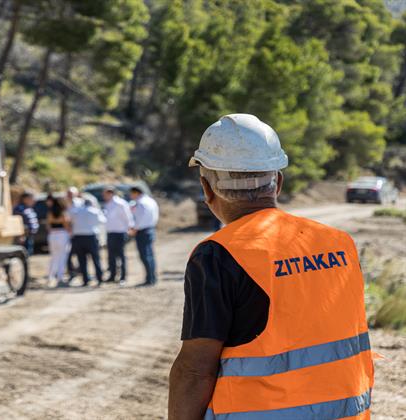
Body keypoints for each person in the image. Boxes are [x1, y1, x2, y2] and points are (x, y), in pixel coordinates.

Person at [168, 114, 374, 419]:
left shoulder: (217, 255)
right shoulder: (340, 243)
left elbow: (196, 370)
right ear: (277, 182)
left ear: (207, 190)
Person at [69, 197, 106, 286]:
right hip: (91, 238)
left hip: (78, 238)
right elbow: (103, 221)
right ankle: (100, 279)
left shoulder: (76, 212)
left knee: (82, 261)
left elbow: (71, 221)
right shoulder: (95, 211)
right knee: (96, 260)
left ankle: (85, 280)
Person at [102, 186, 133, 284]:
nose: (104, 196)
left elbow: (128, 217)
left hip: (120, 232)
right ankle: (112, 275)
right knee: (111, 256)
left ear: (111, 193)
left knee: (121, 255)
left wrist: (129, 228)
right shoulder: (107, 204)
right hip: (110, 232)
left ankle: (123, 277)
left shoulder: (120, 203)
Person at [129, 186, 159, 286]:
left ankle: (149, 279)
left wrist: (134, 229)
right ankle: (152, 277)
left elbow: (140, 219)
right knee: (150, 255)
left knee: (145, 255)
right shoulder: (151, 201)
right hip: (150, 229)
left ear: (136, 193)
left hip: (142, 231)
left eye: (131, 193)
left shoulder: (140, 203)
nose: (131, 196)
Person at [46, 195, 70, 286]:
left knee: (54, 257)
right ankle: (60, 276)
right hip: (62, 234)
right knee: (62, 257)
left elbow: (48, 225)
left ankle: (50, 276)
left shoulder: (50, 213)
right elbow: (66, 225)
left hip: (52, 235)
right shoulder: (63, 213)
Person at [64, 186, 84, 281]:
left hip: (79, 232)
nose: (70, 195)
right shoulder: (64, 204)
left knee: (81, 253)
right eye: (68, 194)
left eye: (71, 194)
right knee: (68, 254)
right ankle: (71, 272)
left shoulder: (81, 203)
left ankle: (81, 271)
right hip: (67, 233)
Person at [13, 192, 39, 256]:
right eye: (31, 198)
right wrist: (21, 235)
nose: (33, 200)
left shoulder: (28, 208)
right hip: (23, 236)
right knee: (23, 254)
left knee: (28, 253)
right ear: (25, 199)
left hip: (29, 235)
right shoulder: (19, 208)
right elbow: (17, 223)